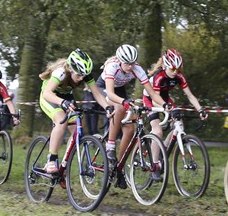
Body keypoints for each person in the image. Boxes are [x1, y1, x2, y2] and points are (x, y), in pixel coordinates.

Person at [38, 49, 110, 173]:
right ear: (70, 69)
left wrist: (107, 107)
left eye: (84, 75)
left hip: (66, 97)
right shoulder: (60, 72)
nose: (81, 78)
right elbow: (47, 93)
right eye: (79, 75)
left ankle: (64, 164)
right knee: (61, 120)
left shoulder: (84, 74)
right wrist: (61, 102)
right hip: (49, 96)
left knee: (77, 129)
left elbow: (97, 94)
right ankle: (51, 160)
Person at [99, 44, 161, 175]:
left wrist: (165, 105)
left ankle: (119, 166)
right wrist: (123, 101)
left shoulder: (137, 69)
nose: (130, 66)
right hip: (104, 88)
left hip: (119, 90)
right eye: (127, 63)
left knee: (130, 129)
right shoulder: (112, 67)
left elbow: (152, 93)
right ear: (120, 61)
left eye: (132, 63)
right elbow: (110, 93)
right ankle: (110, 146)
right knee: (120, 107)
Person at [143, 49, 207, 139]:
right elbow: (155, 100)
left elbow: (190, 96)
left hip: (164, 98)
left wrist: (200, 110)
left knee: (179, 126)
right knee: (158, 132)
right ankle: (155, 148)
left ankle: (166, 147)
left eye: (178, 69)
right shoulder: (159, 76)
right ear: (164, 66)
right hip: (150, 99)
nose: (175, 72)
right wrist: (169, 109)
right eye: (172, 69)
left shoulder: (179, 76)